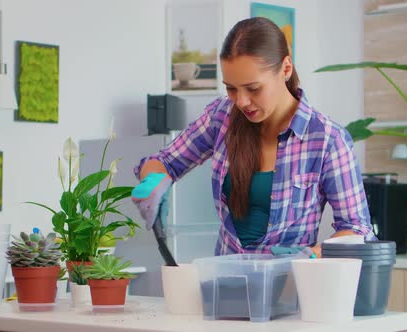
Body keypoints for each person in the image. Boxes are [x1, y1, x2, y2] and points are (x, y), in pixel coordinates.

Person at [131, 17, 374, 257]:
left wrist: (311, 257)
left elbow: (356, 230)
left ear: (286, 69)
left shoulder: (327, 140)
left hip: (290, 287)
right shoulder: (222, 116)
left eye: (253, 88)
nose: (242, 101)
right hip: (224, 285)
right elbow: (165, 161)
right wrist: (153, 181)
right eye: (231, 88)